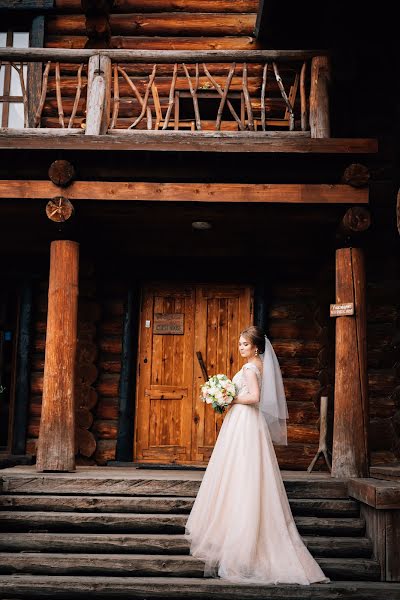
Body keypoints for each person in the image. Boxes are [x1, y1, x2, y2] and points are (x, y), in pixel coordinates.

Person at [184, 325, 329, 585]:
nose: (241, 348)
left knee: (241, 472)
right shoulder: (259, 365)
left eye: (245, 345)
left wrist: (230, 398)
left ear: (256, 347)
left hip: (245, 422)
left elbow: (255, 397)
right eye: (239, 344)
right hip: (246, 424)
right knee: (246, 473)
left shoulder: (251, 368)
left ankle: (242, 542)